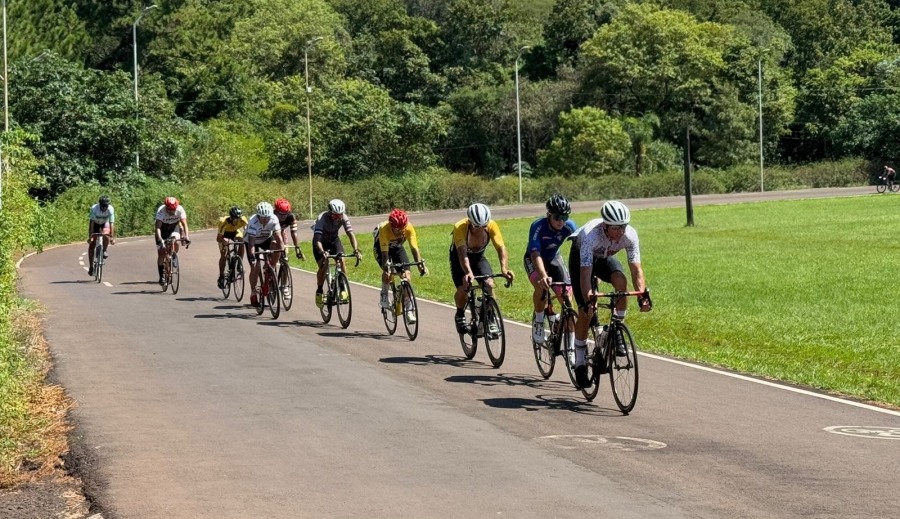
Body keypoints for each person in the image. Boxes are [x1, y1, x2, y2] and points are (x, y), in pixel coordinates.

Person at [568, 200, 650, 389]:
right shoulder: (590, 236)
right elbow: (585, 273)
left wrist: (642, 295)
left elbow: (636, 269)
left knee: (621, 280)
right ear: (605, 225)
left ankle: (616, 329)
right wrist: (589, 297)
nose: (620, 232)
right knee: (586, 311)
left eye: (623, 227)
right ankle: (580, 360)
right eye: (615, 228)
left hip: (604, 257)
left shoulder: (630, 235)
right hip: (582, 259)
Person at [450, 203, 514, 334]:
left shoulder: (491, 225)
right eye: (476, 226)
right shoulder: (460, 227)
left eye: (483, 226)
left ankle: (490, 317)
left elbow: (501, 247)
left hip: (478, 258)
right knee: (463, 287)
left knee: (489, 284)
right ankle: (460, 313)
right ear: (470, 222)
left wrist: (504, 268)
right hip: (459, 258)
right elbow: (462, 254)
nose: (480, 229)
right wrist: (468, 272)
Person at [524, 195, 577, 344]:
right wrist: (543, 275)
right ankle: (539, 321)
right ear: (549, 215)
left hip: (554, 258)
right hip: (534, 258)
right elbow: (535, 253)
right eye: (557, 217)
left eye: (565, 216)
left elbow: (581, 248)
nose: (561, 221)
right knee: (541, 288)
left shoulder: (569, 226)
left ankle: (570, 346)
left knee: (567, 297)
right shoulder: (538, 226)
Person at [373, 208, 428, 323]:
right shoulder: (384, 229)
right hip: (382, 249)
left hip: (397, 248)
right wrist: (387, 267)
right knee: (388, 271)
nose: (400, 232)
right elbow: (384, 254)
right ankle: (384, 294)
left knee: (407, 276)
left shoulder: (408, 227)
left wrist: (419, 265)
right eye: (397, 230)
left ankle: (408, 309)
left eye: (402, 229)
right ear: (391, 226)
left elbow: (414, 248)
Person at [312, 199, 360, 308]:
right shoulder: (322, 219)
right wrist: (322, 251)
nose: (338, 218)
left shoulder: (344, 217)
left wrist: (356, 249)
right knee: (324, 266)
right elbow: (317, 240)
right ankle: (319, 290)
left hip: (334, 240)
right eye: (335, 216)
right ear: (330, 213)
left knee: (342, 260)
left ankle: (342, 287)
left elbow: (350, 234)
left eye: (340, 216)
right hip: (320, 243)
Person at [244, 202, 285, 308]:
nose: (265, 220)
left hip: (266, 239)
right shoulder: (253, 222)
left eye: (267, 217)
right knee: (255, 267)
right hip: (252, 242)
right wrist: (252, 256)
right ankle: (253, 292)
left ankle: (270, 266)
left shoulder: (274, 219)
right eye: (263, 218)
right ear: (258, 216)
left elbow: (279, 237)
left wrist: (282, 249)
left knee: (277, 246)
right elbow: (252, 243)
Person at [155, 197, 191, 285]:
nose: (171, 212)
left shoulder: (180, 209)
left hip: (173, 228)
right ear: (166, 207)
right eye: (169, 210)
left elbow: (184, 224)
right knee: (161, 253)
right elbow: (158, 228)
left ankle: (174, 255)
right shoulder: (161, 211)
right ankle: (161, 277)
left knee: (175, 239)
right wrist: (160, 239)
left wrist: (187, 237)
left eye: (173, 209)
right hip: (162, 229)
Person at [216, 206, 248, 289]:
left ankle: (238, 264)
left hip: (234, 232)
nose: (237, 221)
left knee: (242, 242)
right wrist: (224, 242)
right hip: (224, 234)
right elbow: (218, 238)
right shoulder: (224, 222)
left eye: (239, 218)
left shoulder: (243, 219)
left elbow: (247, 231)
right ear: (231, 217)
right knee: (224, 254)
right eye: (235, 219)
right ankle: (221, 276)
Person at [87, 195, 116, 277]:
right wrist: (91, 236)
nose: (104, 208)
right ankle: (91, 267)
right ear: (99, 204)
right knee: (92, 245)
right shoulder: (94, 209)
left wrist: (112, 237)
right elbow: (91, 223)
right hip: (95, 224)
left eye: (106, 206)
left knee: (106, 235)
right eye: (102, 206)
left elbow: (111, 224)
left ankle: (104, 250)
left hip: (105, 223)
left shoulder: (110, 209)